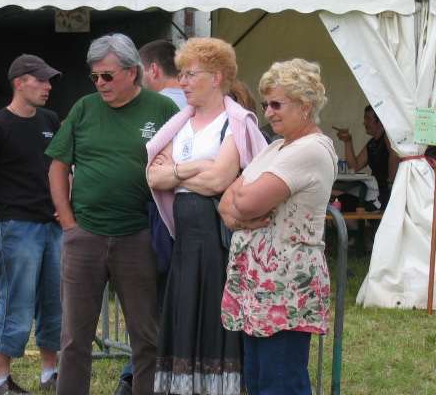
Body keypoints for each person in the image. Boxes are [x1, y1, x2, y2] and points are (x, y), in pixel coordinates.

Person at [46, 33, 179, 395]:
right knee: (74, 337)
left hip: (139, 235)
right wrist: (68, 223)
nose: (100, 83)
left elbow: (181, 162)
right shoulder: (84, 108)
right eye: (94, 76)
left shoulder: (162, 109)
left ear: (133, 72)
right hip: (84, 235)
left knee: (147, 335)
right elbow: (57, 166)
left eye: (107, 75)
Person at [146, 37, 267, 395]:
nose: (182, 81)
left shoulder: (235, 123)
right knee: (185, 310)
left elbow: (219, 180)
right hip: (185, 240)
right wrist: (197, 166)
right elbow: (153, 177)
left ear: (216, 78)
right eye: (181, 73)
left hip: (217, 240)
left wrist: (176, 173)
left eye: (190, 74)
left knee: (216, 314)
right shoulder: (180, 122)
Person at [218, 58, 337, 395]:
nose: (268, 112)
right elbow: (226, 203)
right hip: (260, 283)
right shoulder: (275, 148)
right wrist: (241, 207)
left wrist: (241, 206)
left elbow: (244, 202)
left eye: (277, 104)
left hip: (286, 285)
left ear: (306, 106)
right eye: (266, 104)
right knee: (259, 380)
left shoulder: (310, 149)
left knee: (280, 382)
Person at [0, 54, 63, 395]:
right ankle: (1, 380)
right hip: (16, 228)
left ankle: (50, 374)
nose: (48, 86)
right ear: (19, 83)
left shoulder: (50, 119)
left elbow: (63, 166)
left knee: (55, 302)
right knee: (17, 303)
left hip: (53, 227)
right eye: (42, 80)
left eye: (49, 80)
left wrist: (66, 203)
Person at [114, 39, 186, 395]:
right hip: (193, 220)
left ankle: (135, 379)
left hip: (154, 221)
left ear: (152, 70)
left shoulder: (154, 108)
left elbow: (142, 168)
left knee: (151, 309)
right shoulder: (207, 108)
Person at [333, 105, 400, 211]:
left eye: (368, 119)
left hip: (386, 192)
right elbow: (354, 166)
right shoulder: (372, 143)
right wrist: (348, 141)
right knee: (340, 202)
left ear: (380, 121)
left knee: (348, 204)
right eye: (365, 118)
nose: (364, 122)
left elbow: (395, 156)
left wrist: (390, 182)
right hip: (374, 191)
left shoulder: (387, 137)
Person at [140, 39, 188, 109]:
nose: (137, 77)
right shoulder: (198, 100)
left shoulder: (149, 106)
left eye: (140, 71)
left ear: (153, 70)